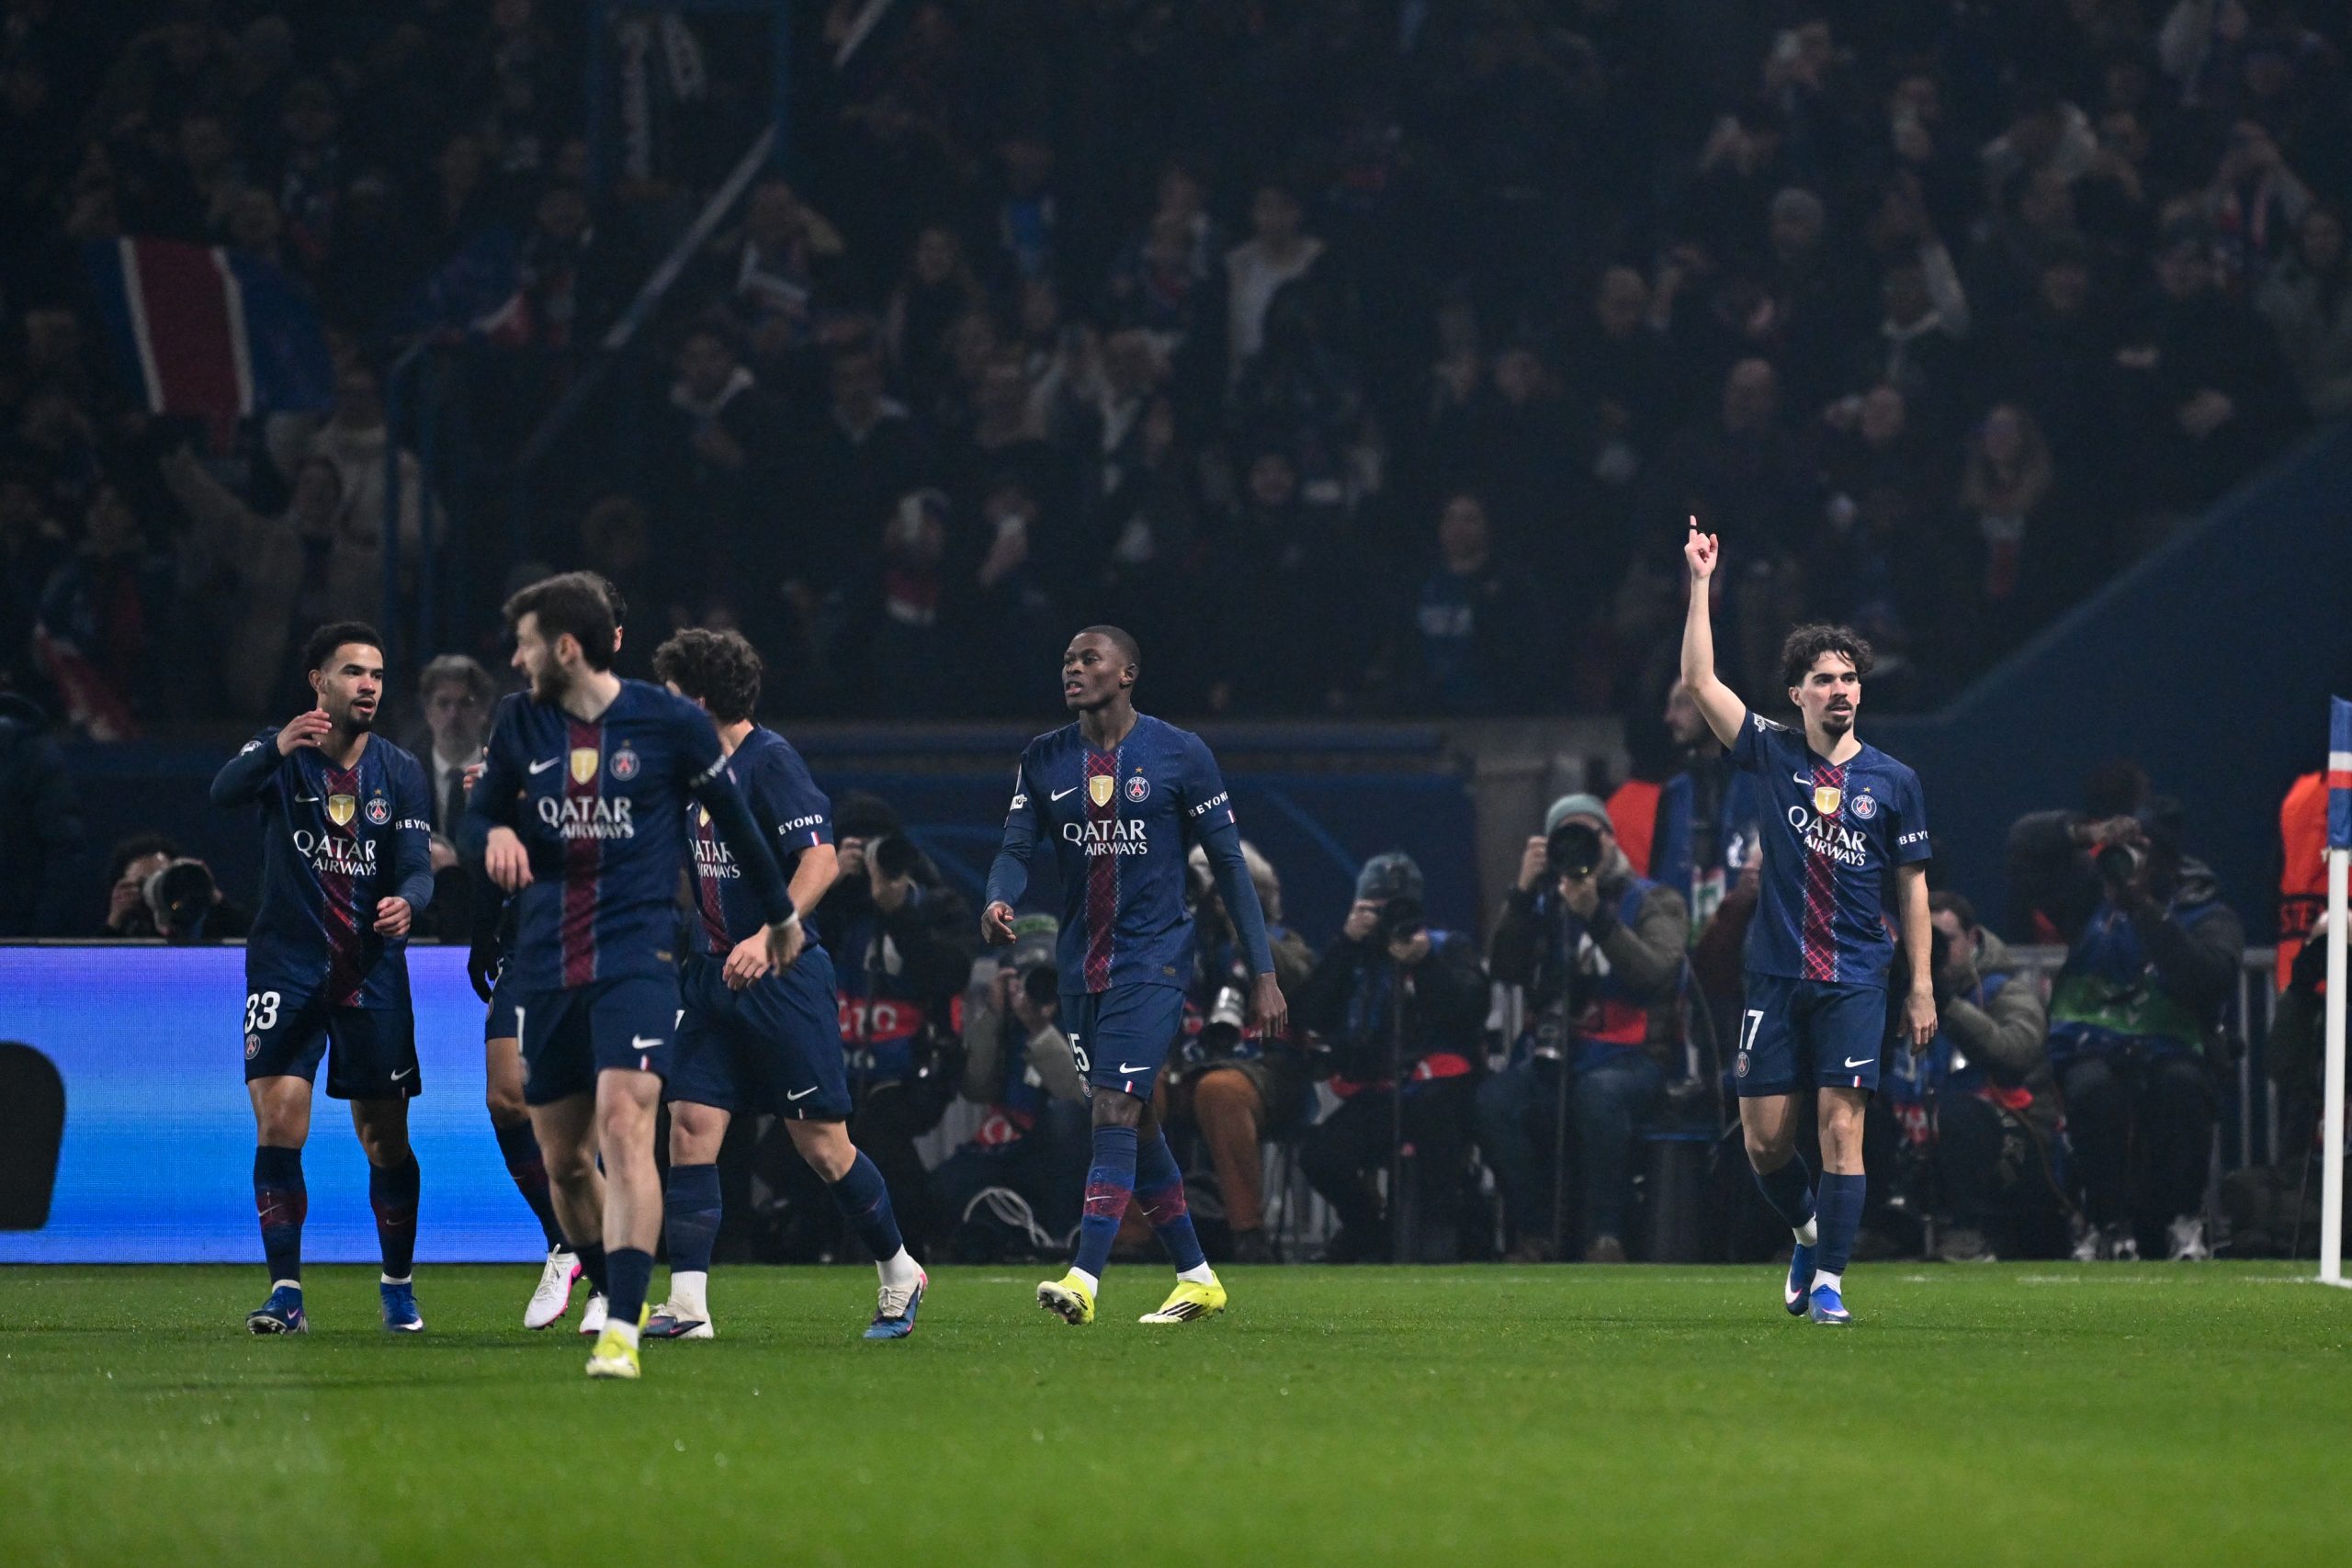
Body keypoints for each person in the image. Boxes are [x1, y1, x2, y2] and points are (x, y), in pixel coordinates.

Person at [459, 573, 799, 1380]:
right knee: (568, 1162)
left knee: (625, 1120)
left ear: (565, 647)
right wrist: (494, 830)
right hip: (547, 961)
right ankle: (613, 1287)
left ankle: (621, 1324)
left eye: (527, 642)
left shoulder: (670, 722)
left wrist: (781, 915)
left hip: (637, 956)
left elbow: (739, 821)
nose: (517, 657)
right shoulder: (521, 720)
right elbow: (474, 814)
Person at [983, 626, 1285, 1326]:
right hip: (1078, 969)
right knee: (1138, 1119)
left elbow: (1232, 868)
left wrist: (1263, 971)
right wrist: (998, 894)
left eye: (1090, 658)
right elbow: (1014, 846)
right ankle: (1198, 1275)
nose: (1074, 669)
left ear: (1128, 674)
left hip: (1154, 960)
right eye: (1066, 660)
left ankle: (1085, 1277)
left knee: (1113, 1108)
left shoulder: (1180, 753)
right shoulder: (1044, 758)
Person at [1679, 521, 1937, 1325]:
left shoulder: (1895, 780)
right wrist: (1699, 584)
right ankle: (1806, 1230)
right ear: (1797, 693)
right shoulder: (1771, 752)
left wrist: (1921, 985)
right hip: (1776, 971)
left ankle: (1830, 1282)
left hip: (1858, 975)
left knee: (1840, 1129)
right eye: (1823, 678)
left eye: (1849, 678)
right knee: (1763, 1142)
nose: (1839, 690)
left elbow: (1915, 890)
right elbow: (1698, 681)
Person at [644, 628, 926, 1342]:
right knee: (690, 1126)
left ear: (700, 696)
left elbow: (822, 860)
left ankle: (900, 1270)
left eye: (672, 690)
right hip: (711, 975)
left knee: (823, 1146)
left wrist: (771, 933)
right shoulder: (691, 767)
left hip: (783, 976)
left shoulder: (770, 760)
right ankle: (688, 1304)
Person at [208, 622, 435, 1335]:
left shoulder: (399, 770)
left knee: (383, 1138)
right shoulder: (279, 753)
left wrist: (410, 902)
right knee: (279, 1121)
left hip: (370, 971)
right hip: (287, 966)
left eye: (376, 672)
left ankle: (397, 1285)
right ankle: (286, 1291)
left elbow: (418, 864)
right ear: (319, 680)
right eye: (353, 671)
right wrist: (277, 744)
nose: (368, 683)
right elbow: (222, 791)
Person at [1477, 795, 1688, 1262]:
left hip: (1634, 1057)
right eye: (1565, 838)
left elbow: (1656, 975)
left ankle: (1605, 1236)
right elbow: (1506, 969)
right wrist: (1521, 893)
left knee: (1598, 1096)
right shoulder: (1544, 904)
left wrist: (1597, 915)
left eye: (1590, 835)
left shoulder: (1655, 899)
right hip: (1559, 1053)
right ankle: (1534, 1234)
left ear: (1611, 840)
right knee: (1495, 1102)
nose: (1580, 847)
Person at [2044, 799, 2243, 1261]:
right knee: (2091, 1089)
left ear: (2165, 860)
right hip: (2095, 1042)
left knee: (2183, 1087)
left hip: (2176, 1044)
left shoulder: (2206, 913)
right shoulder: (2090, 902)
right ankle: (2105, 1221)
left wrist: (2146, 911)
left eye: (2141, 851)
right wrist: (2087, 835)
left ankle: (2183, 1220)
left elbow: (2207, 977)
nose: (2130, 862)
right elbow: (2023, 847)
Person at [1295, 852, 1489, 1261]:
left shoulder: (1445, 948)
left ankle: (1439, 1234)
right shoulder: (1354, 954)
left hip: (1438, 1092)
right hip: (1375, 1095)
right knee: (1320, 1154)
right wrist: (1347, 944)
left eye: (1395, 910)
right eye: (1376, 910)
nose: (1385, 921)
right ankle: (1368, 1227)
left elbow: (1470, 1011)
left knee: (1439, 1131)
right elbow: (1309, 1014)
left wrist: (1425, 964)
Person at [1878, 892, 2065, 1262]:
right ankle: (1870, 1229)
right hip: (1917, 1135)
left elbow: (2018, 1053)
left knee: (1958, 1113)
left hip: (2006, 1140)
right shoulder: (1895, 997)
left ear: (1972, 939)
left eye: (1940, 941)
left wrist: (1945, 1003)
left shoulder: (2003, 990)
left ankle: (1969, 1231)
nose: (1929, 952)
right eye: (1921, 942)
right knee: (1855, 1107)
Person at [1161, 839, 1315, 1261]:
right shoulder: (1182, 943)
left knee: (1220, 1091)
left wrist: (1238, 921)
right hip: (1187, 1066)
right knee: (1134, 1092)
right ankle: (1133, 1236)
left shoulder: (1285, 941)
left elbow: (1300, 979)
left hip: (1265, 1069)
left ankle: (1248, 1235)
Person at [932, 914, 1091, 1260]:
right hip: (1008, 1144)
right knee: (941, 1189)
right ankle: (1003, 1234)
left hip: (1063, 1153)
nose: (1039, 987)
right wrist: (992, 1016)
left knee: (1065, 1118)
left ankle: (1059, 1236)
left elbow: (1080, 1099)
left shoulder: (1082, 1012)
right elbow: (975, 1089)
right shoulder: (1003, 1018)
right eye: (1028, 978)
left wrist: (1041, 1030)